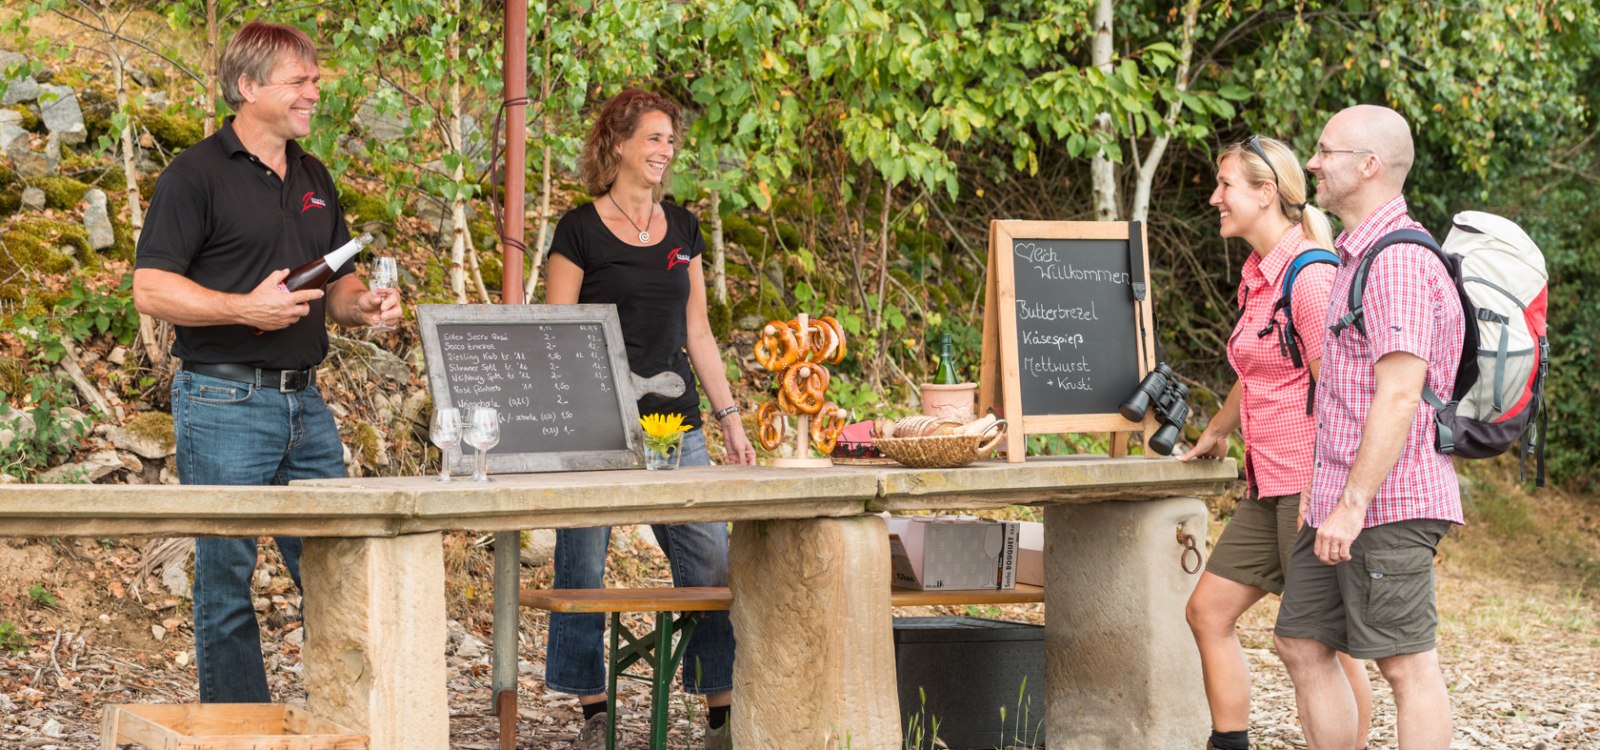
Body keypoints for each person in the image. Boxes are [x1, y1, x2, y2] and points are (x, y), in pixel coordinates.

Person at [132, 20, 401, 702]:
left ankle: (344, 725)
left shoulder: (314, 175)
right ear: (249, 87)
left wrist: (361, 306)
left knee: (336, 575)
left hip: (307, 405)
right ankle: (236, 734)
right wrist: (240, 309)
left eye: (315, 79)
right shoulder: (194, 174)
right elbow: (151, 288)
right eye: (300, 82)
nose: (315, 92)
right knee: (225, 588)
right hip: (222, 403)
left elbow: (335, 285)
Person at [542, 89, 756, 750]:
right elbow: (556, 336)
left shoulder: (684, 228)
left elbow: (699, 330)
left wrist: (729, 418)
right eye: (654, 138)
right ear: (619, 143)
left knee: (713, 558)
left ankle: (719, 710)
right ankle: (592, 706)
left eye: (671, 140)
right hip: (597, 431)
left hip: (677, 428)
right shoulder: (578, 230)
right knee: (583, 564)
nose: (665, 151)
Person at [1274, 105, 1464, 749]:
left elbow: (1401, 392)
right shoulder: (1353, 256)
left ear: (1369, 166)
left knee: (1406, 666)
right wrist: (1326, 493)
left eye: (1326, 152)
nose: (1313, 164)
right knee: (1300, 642)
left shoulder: (1399, 263)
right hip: (1340, 499)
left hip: (1389, 502)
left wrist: (1352, 504)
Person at [1180, 135, 1373, 750]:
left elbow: (1342, 393)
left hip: (1309, 486)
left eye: (1226, 186)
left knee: (1321, 643)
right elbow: (1259, 365)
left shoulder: (1311, 278)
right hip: (1268, 483)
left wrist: (1336, 493)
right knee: (1208, 612)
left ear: (1267, 194)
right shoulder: (1259, 276)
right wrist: (1218, 429)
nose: (1215, 198)